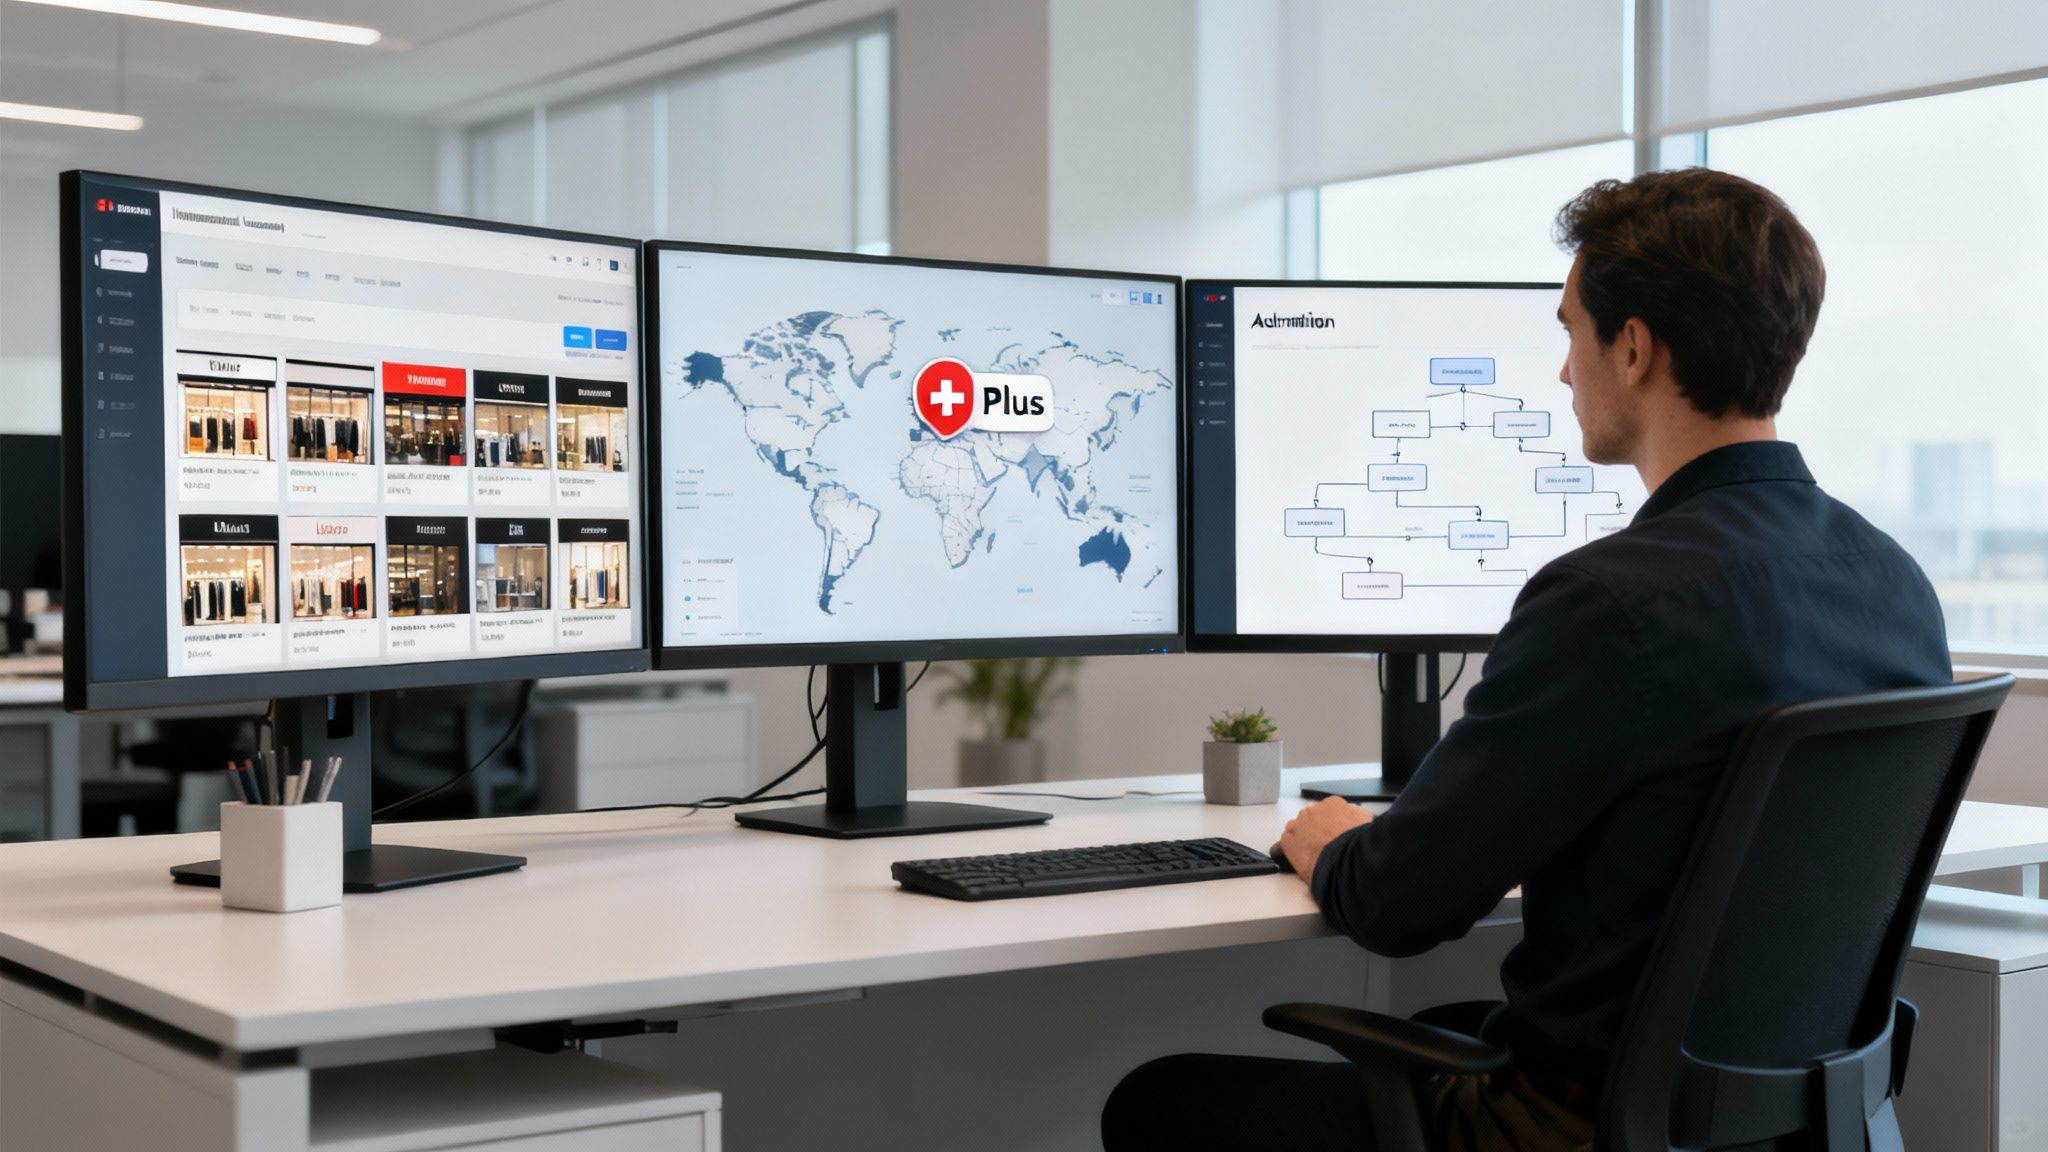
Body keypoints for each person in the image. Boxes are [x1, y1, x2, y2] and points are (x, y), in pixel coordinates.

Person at [1101, 168, 1952, 1151]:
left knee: (1161, 1101)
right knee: (1446, 1030)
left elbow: (1397, 905)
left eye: (1565, 330)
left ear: (1629, 347)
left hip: (1577, 1128)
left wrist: (1329, 840)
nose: (1560, 372)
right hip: (1791, 1121)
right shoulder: (1892, 581)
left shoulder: (1609, 599)